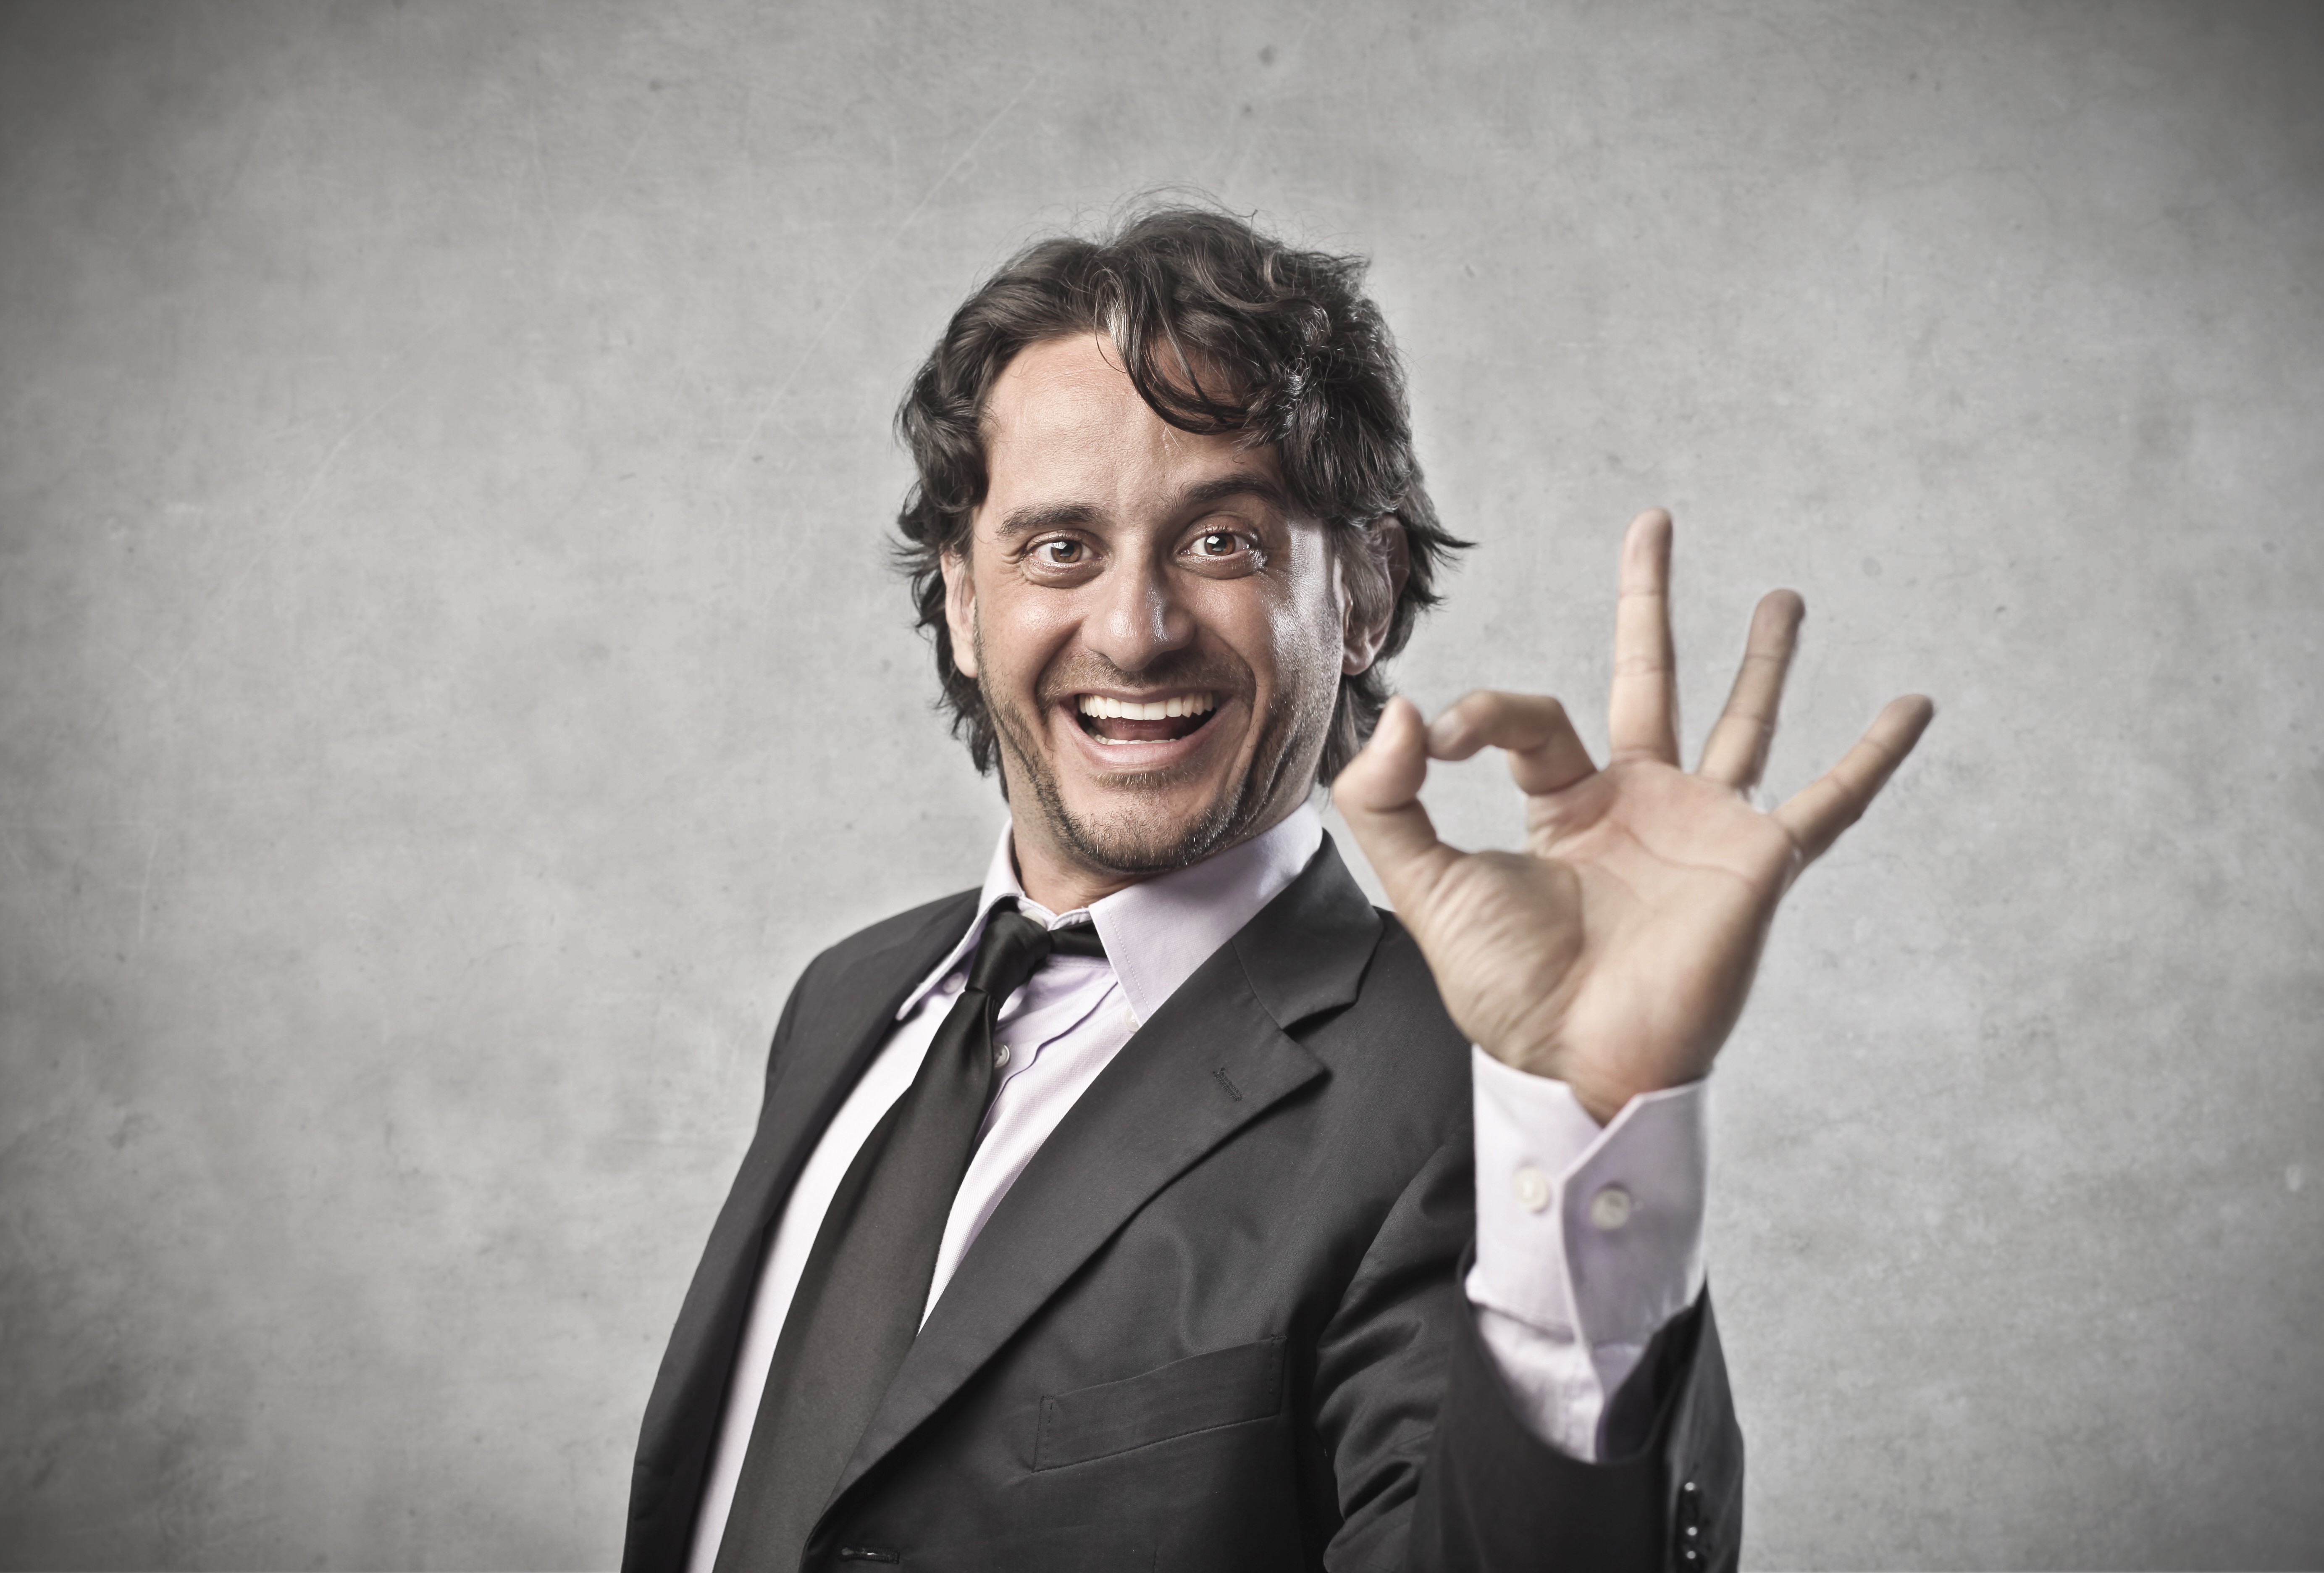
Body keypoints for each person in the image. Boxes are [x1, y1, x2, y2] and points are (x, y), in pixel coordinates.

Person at [621, 205, 1931, 1573]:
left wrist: (1599, 1107)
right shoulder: (847, 1000)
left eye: (1222, 542)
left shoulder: (1469, 1096)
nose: (1135, 632)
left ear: (1365, 590)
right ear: (963, 599)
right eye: (1060, 548)